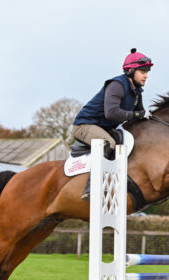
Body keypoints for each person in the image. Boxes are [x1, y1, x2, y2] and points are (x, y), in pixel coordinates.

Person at [72, 48, 153, 199]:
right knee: (107, 143)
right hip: (85, 125)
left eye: (147, 72)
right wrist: (138, 114)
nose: (146, 76)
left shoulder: (137, 91)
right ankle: (91, 188)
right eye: (142, 71)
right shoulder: (117, 85)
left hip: (104, 127)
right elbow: (112, 113)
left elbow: (140, 115)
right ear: (130, 71)